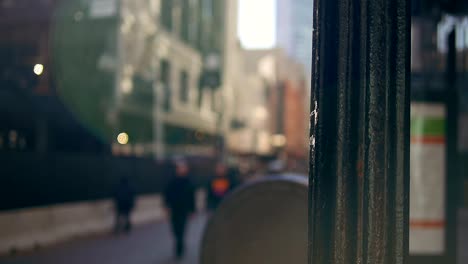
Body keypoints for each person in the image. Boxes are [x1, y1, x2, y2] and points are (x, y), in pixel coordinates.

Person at [163, 160, 195, 260]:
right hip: (175, 209)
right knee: (175, 229)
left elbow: (191, 197)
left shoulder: (189, 182)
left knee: (182, 229)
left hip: (184, 210)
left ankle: (179, 247)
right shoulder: (172, 182)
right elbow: (167, 195)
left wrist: (192, 210)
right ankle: (179, 243)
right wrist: (167, 207)